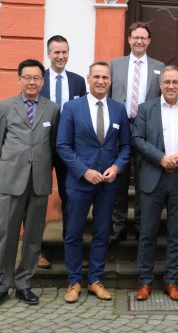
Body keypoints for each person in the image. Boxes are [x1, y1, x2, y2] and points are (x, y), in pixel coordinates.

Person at [0, 59, 60, 310]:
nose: (32, 82)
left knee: (32, 236)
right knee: (5, 233)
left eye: (37, 78)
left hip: (39, 181)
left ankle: (24, 282)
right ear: (19, 79)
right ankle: (0, 286)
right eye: (27, 77)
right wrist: (15, 163)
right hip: (12, 179)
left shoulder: (52, 109)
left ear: (42, 81)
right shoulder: (5, 107)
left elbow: (52, 144)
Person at [56, 62, 132, 304]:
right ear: (88, 79)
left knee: (102, 232)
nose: (101, 81)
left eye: (105, 77)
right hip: (80, 182)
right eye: (96, 77)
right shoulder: (72, 108)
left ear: (110, 81)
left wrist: (117, 167)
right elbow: (62, 146)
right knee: (73, 232)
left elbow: (127, 146)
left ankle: (96, 280)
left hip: (108, 183)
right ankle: (74, 281)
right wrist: (83, 171)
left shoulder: (118, 109)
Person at [131, 66, 178, 302]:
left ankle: (171, 281)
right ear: (160, 84)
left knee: (176, 234)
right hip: (153, 177)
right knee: (147, 233)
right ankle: (145, 281)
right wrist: (160, 157)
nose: (171, 86)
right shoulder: (146, 108)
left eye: (175, 82)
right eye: (167, 82)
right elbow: (137, 138)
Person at [109, 23, 165, 244]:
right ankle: (119, 225)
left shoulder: (159, 67)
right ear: (129, 39)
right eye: (136, 37)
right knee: (119, 179)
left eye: (144, 38)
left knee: (146, 179)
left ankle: (142, 224)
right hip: (120, 127)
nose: (140, 41)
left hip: (147, 129)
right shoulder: (115, 65)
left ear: (149, 41)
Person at [38, 35, 87, 268]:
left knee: (72, 200)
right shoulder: (39, 80)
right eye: (56, 52)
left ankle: (73, 252)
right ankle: (36, 252)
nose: (60, 56)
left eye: (64, 52)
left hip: (70, 150)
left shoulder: (78, 82)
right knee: (37, 199)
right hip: (42, 149)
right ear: (48, 54)